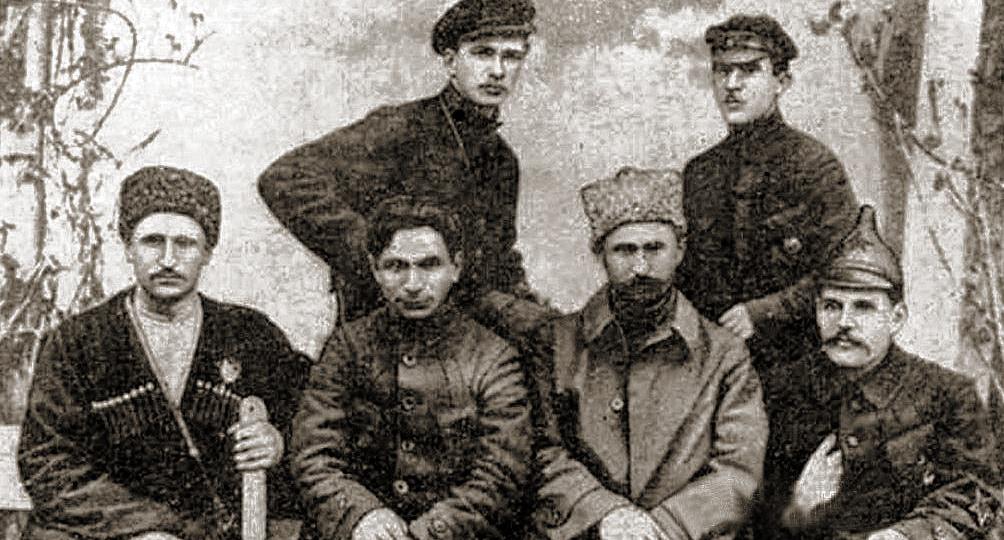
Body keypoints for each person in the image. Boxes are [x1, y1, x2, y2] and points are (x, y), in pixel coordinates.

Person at [18, 166, 311, 539]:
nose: (168, 259)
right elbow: (46, 462)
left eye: (185, 243)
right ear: (128, 248)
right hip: (104, 532)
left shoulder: (250, 334)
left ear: (208, 253)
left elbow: (316, 424)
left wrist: (279, 442)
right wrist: (144, 528)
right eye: (152, 241)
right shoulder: (77, 341)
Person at [257, 0, 551, 346]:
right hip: (380, 340)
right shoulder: (401, 128)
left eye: (511, 56)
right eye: (483, 53)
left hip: (460, 342)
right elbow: (285, 178)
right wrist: (381, 253)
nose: (498, 71)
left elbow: (498, 256)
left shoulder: (502, 159)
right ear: (451, 61)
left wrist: (530, 306)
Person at [674, 14, 859, 533]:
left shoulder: (815, 168)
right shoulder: (700, 174)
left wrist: (763, 312)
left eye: (749, 70)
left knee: (786, 518)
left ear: (782, 80)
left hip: (798, 383)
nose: (732, 84)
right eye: (722, 71)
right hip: (719, 381)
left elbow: (843, 271)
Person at [531, 167, 767, 540]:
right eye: (624, 250)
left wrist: (664, 527)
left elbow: (739, 469)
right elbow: (542, 450)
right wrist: (605, 514)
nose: (640, 267)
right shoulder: (556, 343)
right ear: (600, 255)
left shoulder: (724, 355)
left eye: (654, 248)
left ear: (680, 250)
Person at [291, 195, 532, 540]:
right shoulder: (348, 347)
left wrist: (427, 532)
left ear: (456, 267)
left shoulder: (493, 357)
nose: (414, 284)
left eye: (430, 265)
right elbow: (313, 452)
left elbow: (501, 474)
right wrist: (361, 516)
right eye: (396, 266)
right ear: (375, 269)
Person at [775, 205, 1001, 539]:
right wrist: (798, 510)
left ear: (896, 318)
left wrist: (904, 536)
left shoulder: (948, 396)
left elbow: (977, 497)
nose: (844, 322)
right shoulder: (782, 392)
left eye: (863, 307)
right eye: (832, 306)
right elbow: (747, 506)